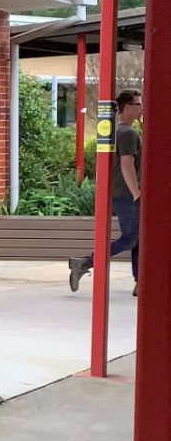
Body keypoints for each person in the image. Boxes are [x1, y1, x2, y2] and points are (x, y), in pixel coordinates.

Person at [72, 88, 142, 294]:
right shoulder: (128, 133)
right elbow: (126, 164)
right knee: (131, 238)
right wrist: (137, 193)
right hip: (127, 194)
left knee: (138, 237)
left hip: (119, 192)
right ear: (127, 107)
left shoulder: (115, 131)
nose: (142, 109)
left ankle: (140, 283)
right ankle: (84, 263)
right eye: (138, 105)